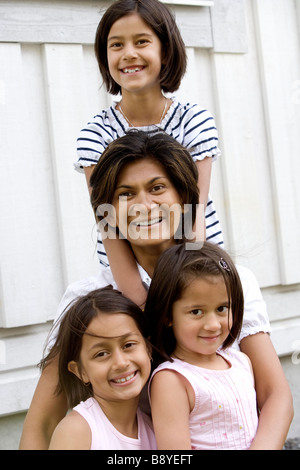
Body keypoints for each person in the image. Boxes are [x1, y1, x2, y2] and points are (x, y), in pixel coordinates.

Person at [19, 131, 293, 449]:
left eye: (157, 188)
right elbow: (42, 422)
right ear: (109, 214)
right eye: (125, 194)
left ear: (183, 198)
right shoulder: (91, 297)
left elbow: (276, 396)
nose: (144, 205)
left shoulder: (228, 280)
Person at [76, 0, 223, 308]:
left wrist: (188, 293)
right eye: (116, 45)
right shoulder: (95, 135)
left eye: (141, 41)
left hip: (196, 268)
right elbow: (109, 225)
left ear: (166, 51)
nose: (128, 53)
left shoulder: (193, 121)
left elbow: (192, 217)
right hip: (128, 277)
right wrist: (142, 302)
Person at [145, 243, 258, 450]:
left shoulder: (241, 362)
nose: (213, 325)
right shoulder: (172, 380)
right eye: (196, 312)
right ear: (168, 315)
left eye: (222, 308)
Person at [41, 286, 156, 450]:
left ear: (148, 349)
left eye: (128, 345)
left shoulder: (155, 428)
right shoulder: (77, 431)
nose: (121, 363)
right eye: (101, 354)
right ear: (80, 371)